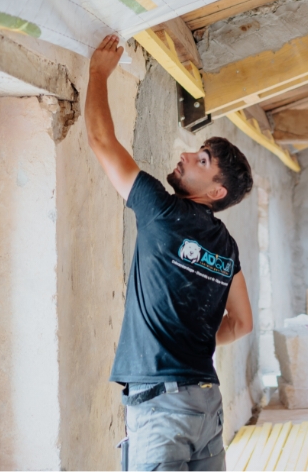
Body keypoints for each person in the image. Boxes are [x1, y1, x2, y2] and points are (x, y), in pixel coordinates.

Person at [86, 34, 255, 471]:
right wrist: (195, 343)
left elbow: (103, 142)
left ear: (216, 191)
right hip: (205, 402)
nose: (185, 156)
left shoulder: (160, 210)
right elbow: (242, 322)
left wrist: (97, 73)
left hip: (162, 408)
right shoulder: (227, 247)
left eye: (200, 161)